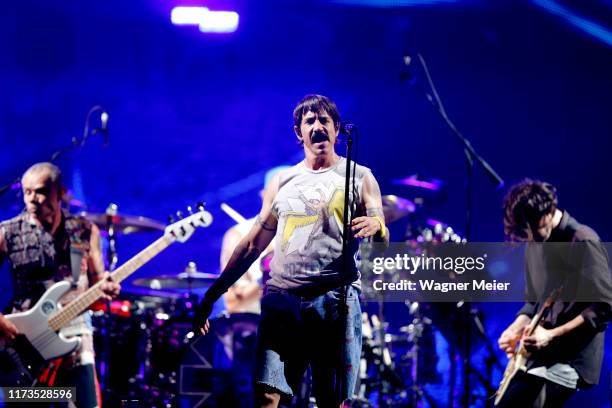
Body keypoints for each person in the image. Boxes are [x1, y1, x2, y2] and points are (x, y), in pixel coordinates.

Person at [194, 94, 389, 407]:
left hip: (333, 302)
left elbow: (381, 225)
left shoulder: (362, 177)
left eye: (324, 120)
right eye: (309, 121)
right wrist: (211, 296)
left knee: (331, 399)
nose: (317, 126)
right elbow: (252, 244)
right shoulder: (284, 181)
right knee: (267, 395)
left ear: (337, 128)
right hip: (282, 302)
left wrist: (377, 226)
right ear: (299, 133)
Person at [0, 162, 121, 408]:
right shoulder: (7, 232)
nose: (33, 199)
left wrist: (106, 290)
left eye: (41, 191)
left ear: (60, 193)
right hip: (26, 341)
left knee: (84, 402)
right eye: (27, 192)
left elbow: (98, 286)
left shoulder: (84, 230)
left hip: (76, 333)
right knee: (26, 401)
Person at [496, 179, 612, 407]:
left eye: (533, 225)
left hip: (572, 360)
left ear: (550, 209)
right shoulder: (535, 242)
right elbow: (533, 303)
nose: (530, 235)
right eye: (524, 229)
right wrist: (515, 328)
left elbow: (603, 308)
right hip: (543, 356)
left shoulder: (582, 240)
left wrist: (550, 335)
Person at [221, 166, 289, 315]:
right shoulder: (240, 234)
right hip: (258, 329)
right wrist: (266, 275)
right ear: (265, 195)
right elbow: (233, 303)